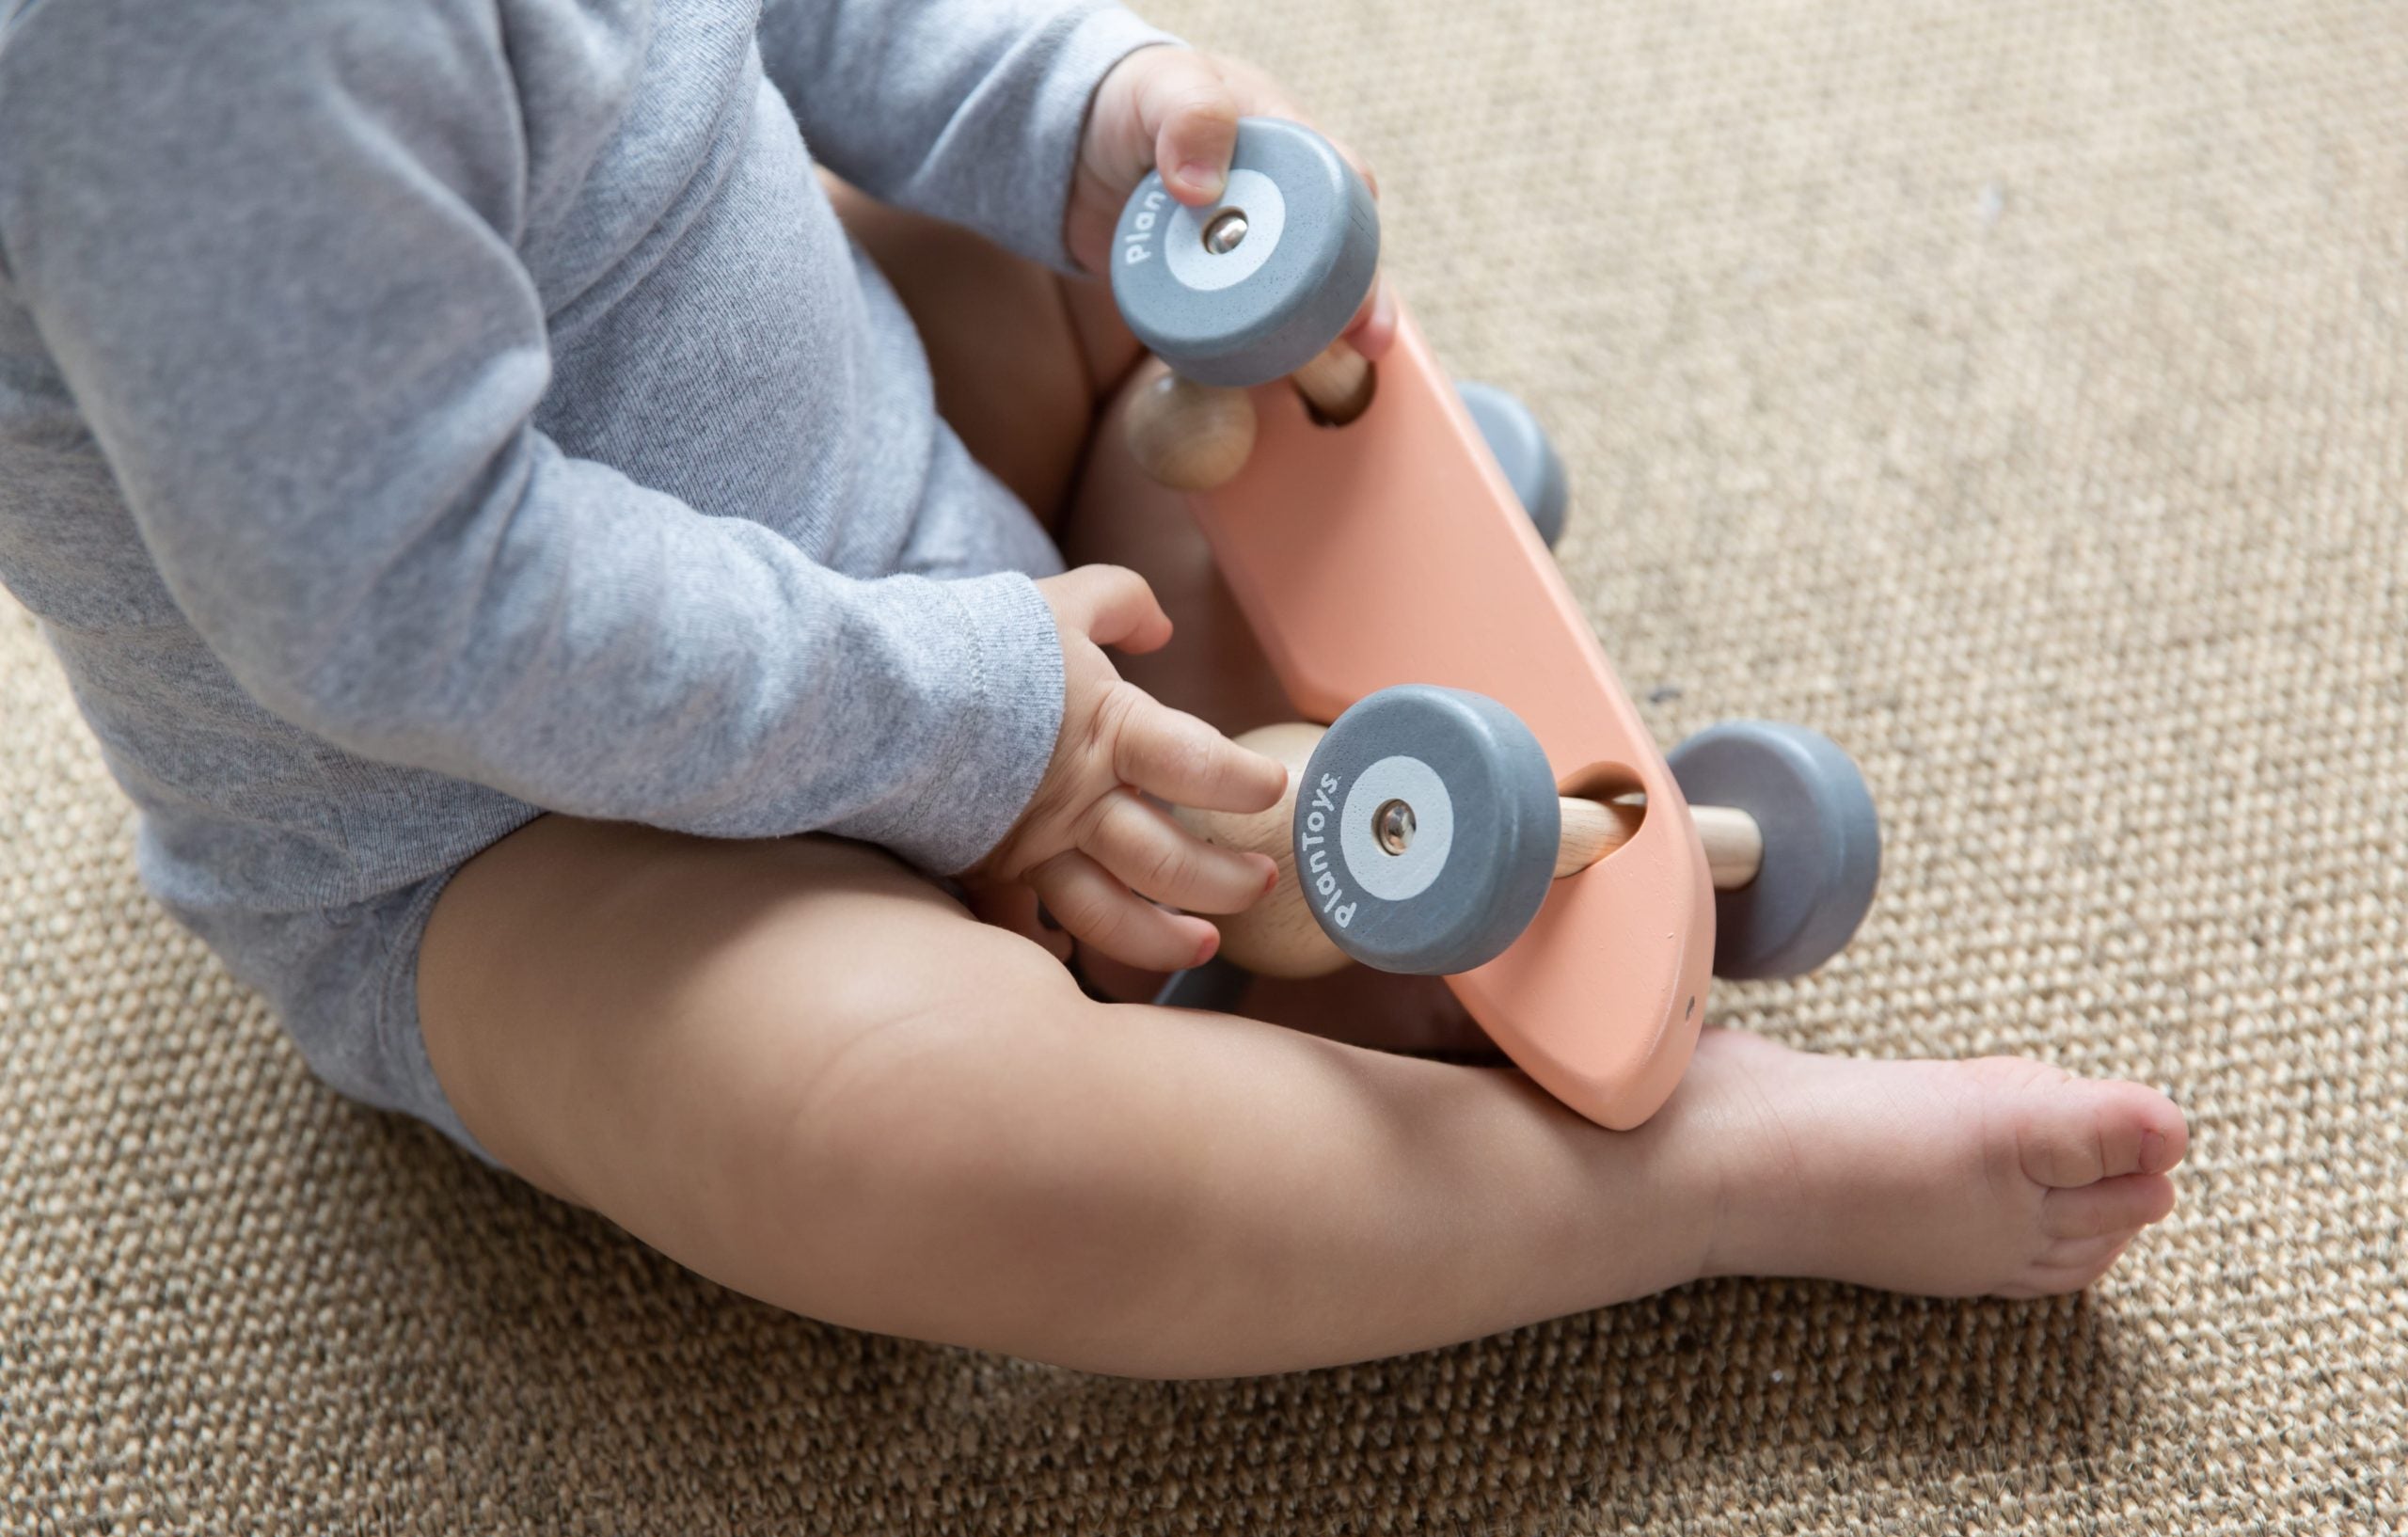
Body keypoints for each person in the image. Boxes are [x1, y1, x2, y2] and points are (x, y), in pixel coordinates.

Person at [0, 0, 2185, 1379]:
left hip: (844, 425)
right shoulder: (168, 59)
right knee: (907, 1143)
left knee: (1127, 243)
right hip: (505, 824)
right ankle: (1690, 1170)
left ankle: (1272, 703)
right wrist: (966, 721)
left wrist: (1079, 108)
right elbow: (408, 604)